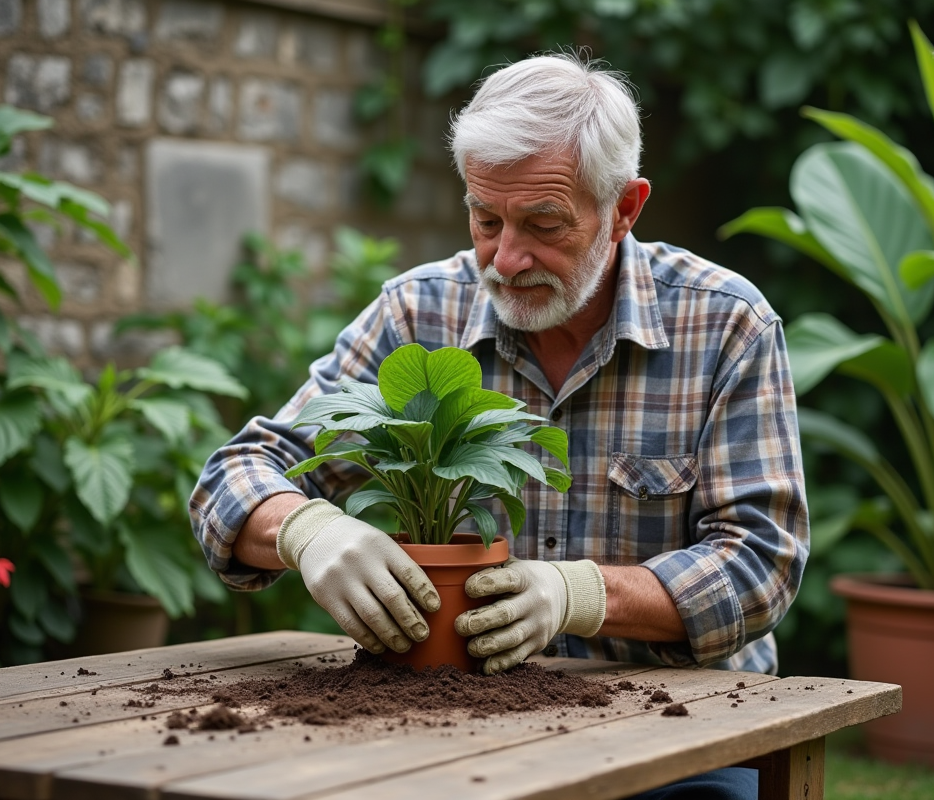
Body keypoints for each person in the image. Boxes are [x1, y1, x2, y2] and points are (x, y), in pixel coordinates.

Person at [190, 51, 808, 800]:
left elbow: (761, 566)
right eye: (486, 220)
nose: (507, 258)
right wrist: (306, 531)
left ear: (624, 208)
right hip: (449, 730)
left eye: (544, 224)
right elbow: (235, 473)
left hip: (685, 733)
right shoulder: (420, 313)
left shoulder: (725, 325)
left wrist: (578, 594)